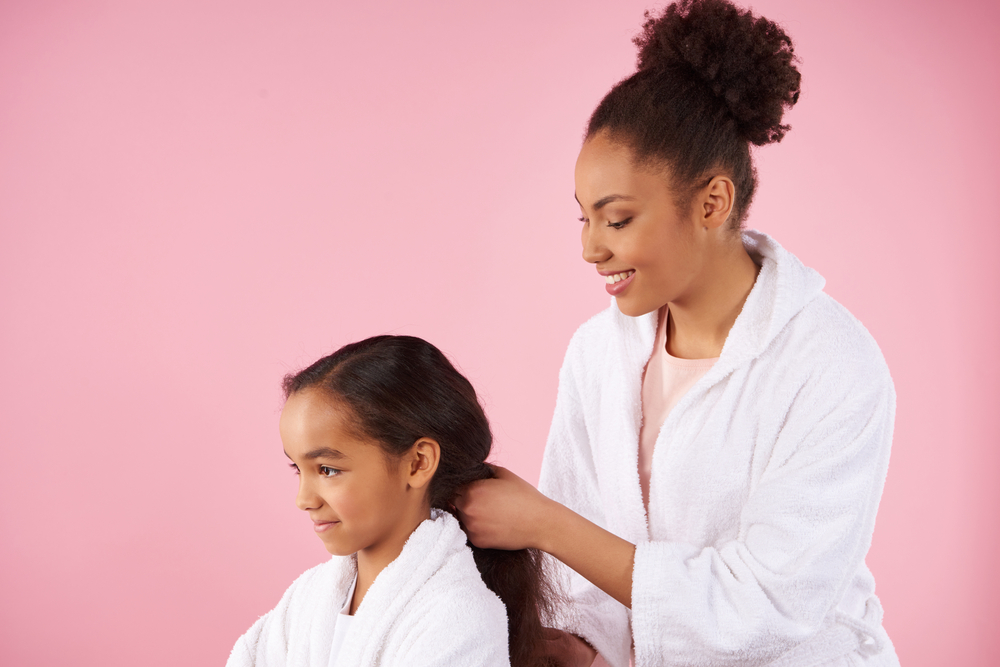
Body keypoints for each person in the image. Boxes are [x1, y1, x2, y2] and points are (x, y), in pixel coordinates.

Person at [455, 1, 899, 665]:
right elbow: (582, 587)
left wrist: (541, 521)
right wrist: (575, 646)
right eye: (583, 219)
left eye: (618, 219)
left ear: (711, 203)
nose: (591, 249)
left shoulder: (832, 365)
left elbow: (770, 605)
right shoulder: (598, 354)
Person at [227, 335, 556, 667]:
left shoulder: (456, 618)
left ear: (417, 463)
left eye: (327, 469)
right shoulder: (305, 601)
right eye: (298, 469)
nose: (304, 500)